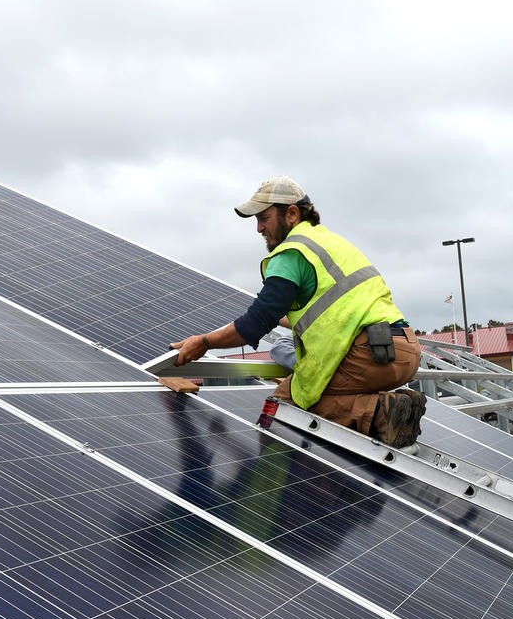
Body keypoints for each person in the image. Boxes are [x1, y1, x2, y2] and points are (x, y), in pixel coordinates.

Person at [170, 176, 426, 447]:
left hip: (366, 355)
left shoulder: (292, 253)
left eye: (264, 218)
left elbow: (255, 324)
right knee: (308, 400)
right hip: (403, 350)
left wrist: (206, 341)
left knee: (282, 411)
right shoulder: (328, 242)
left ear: (291, 213)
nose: (258, 228)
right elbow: (328, 311)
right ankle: (392, 409)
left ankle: (378, 413)